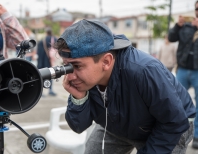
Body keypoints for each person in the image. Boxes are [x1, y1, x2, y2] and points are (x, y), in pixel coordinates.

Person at [55, 19, 196, 154]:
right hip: (118, 121)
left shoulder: (143, 71)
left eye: (77, 66)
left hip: (168, 125)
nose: (70, 76)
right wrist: (78, 98)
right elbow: (78, 126)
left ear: (106, 61)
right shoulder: (87, 77)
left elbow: (174, 121)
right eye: (66, 66)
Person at [168, 0, 198, 149]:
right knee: (175, 100)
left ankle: (197, 135)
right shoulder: (186, 26)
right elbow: (171, 37)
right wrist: (177, 25)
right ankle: (176, 131)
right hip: (183, 69)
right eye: (197, 8)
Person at [37, 28, 57, 96]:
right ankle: (50, 90)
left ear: (46, 33)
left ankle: (41, 92)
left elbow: (38, 52)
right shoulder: (54, 39)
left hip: (41, 62)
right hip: (49, 61)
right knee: (51, 75)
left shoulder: (42, 41)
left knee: (41, 76)